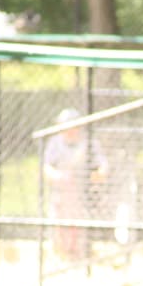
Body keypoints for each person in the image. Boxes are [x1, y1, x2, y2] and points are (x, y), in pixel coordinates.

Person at [43, 107, 108, 263]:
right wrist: (58, 177)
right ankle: (61, 252)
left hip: (82, 191)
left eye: (72, 126)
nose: (68, 130)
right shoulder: (55, 142)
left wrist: (99, 174)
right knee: (59, 221)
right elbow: (47, 167)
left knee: (78, 223)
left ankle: (78, 252)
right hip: (61, 190)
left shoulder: (89, 143)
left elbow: (103, 165)